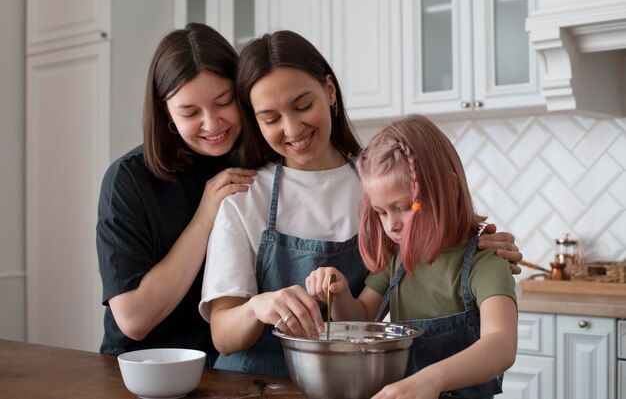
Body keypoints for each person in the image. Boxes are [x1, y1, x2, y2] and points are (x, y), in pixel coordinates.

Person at [199, 30, 521, 377]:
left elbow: (437, 231)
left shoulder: (378, 181)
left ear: (330, 91)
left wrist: (481, 249)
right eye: (271, 118)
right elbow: (223, 335)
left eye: (303, 105)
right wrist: (257, 307)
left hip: (347, 385)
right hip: (251, 384)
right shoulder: (245, 199)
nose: (292, 128)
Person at [306, 115, 518, 399]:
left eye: (405, 207)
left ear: (450, 188)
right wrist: (340, 293)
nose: (391, 224)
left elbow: (501, 344)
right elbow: (362, 320)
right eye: (380, 212)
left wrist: (432, 379)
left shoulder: (485, 261)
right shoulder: (398, 259)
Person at [96, 23, 256, 361]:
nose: (212, 124)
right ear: (165, 110)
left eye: (223, 102)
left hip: (226, 367)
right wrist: (204, 217)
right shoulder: (128, 180)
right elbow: (133, 318)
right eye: (190, 112)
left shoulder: (256, 163)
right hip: (140, 368)